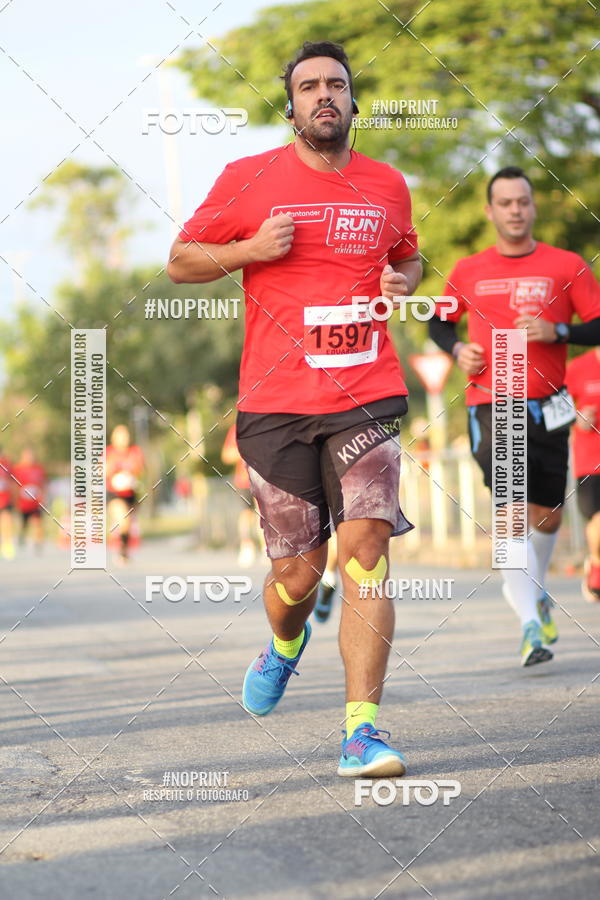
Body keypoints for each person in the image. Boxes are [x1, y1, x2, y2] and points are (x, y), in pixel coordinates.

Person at [168, 40, 422, 776]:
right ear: (291, 103)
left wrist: (402, 278)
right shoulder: (248, 179)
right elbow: (181, 260)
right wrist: (249, 249)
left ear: (352, 100)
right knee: (298, 578)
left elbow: (408, 254)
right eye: (308, 86)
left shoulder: (387, 185)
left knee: (366, 552)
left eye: (335, 85)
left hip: (364, 391)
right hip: (274, 404)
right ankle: (284, 645)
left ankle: (361, 732)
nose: (323, 96)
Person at [429, 166, 600, 666]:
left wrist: (558, 332)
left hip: (551, 406)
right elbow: (439, 323)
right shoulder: (467, 270)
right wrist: (457, 348)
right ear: (490, 211)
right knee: (509, 511)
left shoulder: (567, 265)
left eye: (523, 201)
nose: (515, 210)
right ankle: (530, 626)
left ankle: (536, 593)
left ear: (534, 206)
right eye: (505, 203)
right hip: (493, 400)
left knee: (546, 513)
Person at [565, 348, 600, 602]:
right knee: (597, 519)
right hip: (591, 462)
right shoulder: (578, 367)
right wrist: (576, 418)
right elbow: (554, 404)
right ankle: (597, 564)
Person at [221, 423, 259, 567]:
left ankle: (267, 547)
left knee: (264, 514)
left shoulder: (266, 422)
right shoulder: (237, 428)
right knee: (246, 515)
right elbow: (226, 455)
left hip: (265, 478)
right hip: (244, 480)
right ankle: (247, 546)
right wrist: (246, 450)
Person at [106, 425, 144, 564]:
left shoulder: (135, 451)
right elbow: (102, 472)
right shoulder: (109, 453)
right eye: (120, 436)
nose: (124, 439)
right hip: (114, 493)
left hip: (130, 493)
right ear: (114, 438)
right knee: (123, 519)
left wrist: (132, 477)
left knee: (127, 524)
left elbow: (140, 470)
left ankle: (124, 550)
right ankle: (121, 552)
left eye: (125, 435)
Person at [13, 447, 46, 552]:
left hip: (36, 502)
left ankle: (38, 543)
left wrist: (43, 496)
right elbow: (13, 486)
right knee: (24, 523)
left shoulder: (38, 469)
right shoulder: (17, 469)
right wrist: (15, 500)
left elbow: (43, 484)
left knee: (37, 522)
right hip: (23, 503)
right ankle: (21, 536)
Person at [0, 449, 15, 559]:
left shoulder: (6, 464)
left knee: (7, 522)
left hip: (5, 498)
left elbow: (12, 480)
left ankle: (7, 545)